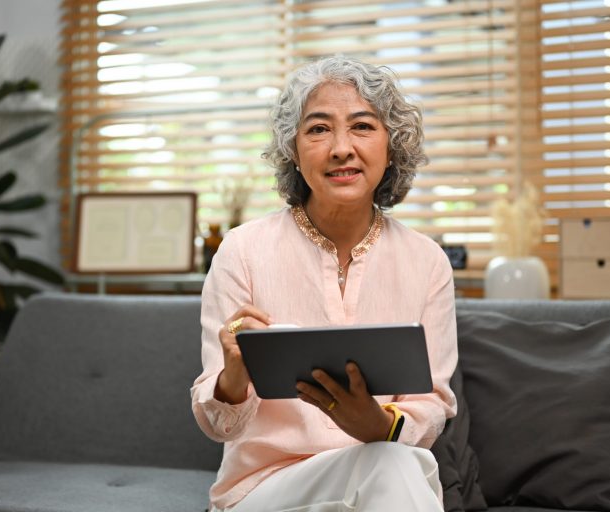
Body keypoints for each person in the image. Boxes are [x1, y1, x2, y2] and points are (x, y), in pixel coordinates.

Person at [191, 56, 457, 512]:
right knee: (394, 467)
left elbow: (430, 405)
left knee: (392, 462)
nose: (341, 148)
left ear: (392, 145)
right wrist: (233, 378)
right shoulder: (242, 251)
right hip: (266, 490)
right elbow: (220, 426)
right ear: (292, 150)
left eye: (362, 127)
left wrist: (376, 422)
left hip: (382, 475)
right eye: (318, 129)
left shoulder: (426, 262)